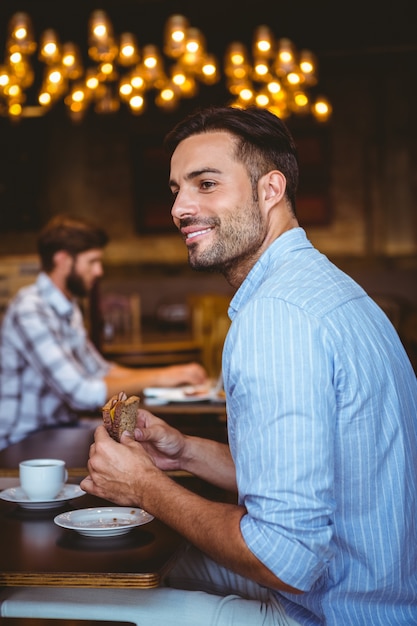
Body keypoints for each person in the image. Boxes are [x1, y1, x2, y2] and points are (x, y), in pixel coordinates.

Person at [11, 105, 415, 624]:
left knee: (31, 598)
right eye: (176, 189)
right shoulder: (326, 286)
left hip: (333, 608)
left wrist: (146, 488)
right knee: (167, 560)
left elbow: (286, 561)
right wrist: (183, 454)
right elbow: (313, 475)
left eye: (205, 183)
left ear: (269, 190)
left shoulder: (275, 316)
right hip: (379, 582)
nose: (180, 208)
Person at [0, 215, 207, 450]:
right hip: (22, 440)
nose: (99, 271)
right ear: (63, 260)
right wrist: (166, 376)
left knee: (150, 438)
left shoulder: (67, 307)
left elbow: (101, 370)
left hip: (60, 428)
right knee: (139, 448)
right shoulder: (30, 310)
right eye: (92, 261)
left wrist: (172, 378)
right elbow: (83, 393)